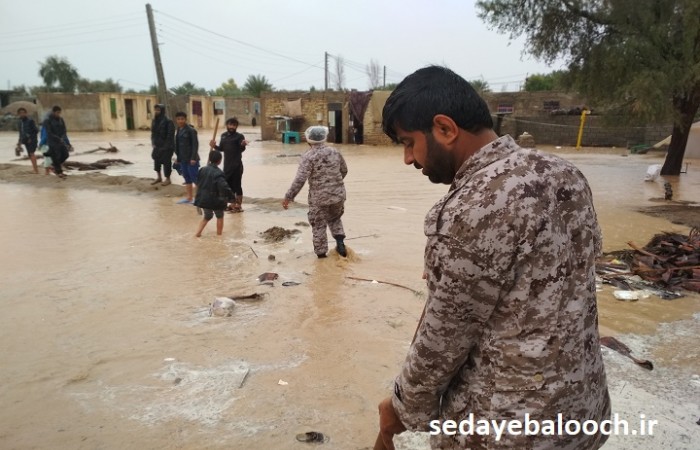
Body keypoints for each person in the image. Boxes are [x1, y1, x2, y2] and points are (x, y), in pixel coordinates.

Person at [375, 66, 610, 450]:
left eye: (408, 142)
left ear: (445, 129)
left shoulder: (471, 208)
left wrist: (400, 408)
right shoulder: (565, 174)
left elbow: (444, 337)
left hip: (505, 430)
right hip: (583, 413)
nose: (408, 159)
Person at [282, 126, 348, 258]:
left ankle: (322, 258)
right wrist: (334, 183)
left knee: (318, 226)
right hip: (338, 195)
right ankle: (340, 243)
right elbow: (344, 170)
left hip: (319, 198)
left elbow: (300, 180)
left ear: (309, 140)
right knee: (335, 218)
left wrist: (288, 197)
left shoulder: (308, 156)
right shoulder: (335, 152)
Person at [209, 117, 248, 212]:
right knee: (228, 186)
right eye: (230, 125)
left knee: (237, 186)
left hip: (237, 166)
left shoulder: (239, 137)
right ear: (227, 125)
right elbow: (221, 149)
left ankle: (238, 205)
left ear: (236, 127)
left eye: (234, 125)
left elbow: (242, 148)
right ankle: (232, 203)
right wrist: (214, 146)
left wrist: (243, 144)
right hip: (226, 166)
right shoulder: (223, 136)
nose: (232, 127)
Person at [194, 151, 234, 237]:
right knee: (220, 216)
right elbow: (224, 187)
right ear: (219, 161)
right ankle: (219, 236)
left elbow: (198, 184)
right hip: (215, 200)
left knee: (207, 216)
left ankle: (197, 233)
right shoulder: (219, 173)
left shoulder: (202, 170)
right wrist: (232, 198)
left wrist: (197, 198)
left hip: (204, 199)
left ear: (210, 158)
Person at [174, 111, 199, 203]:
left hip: (191, 159)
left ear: (185, 119)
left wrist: (193, 158)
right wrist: (178, 158)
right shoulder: (178, 130)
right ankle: (189, 198)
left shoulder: (191, 130)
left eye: (182, 119)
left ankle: (199, 198)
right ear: (176, 120)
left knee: (195, 178)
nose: (180, 121)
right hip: (183, 159)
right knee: (187, 178)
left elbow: (195, 145)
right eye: (178, 119)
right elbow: (178, 145)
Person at [42, 106, 72, 179]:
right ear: (53, 112)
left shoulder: (61, 120)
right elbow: (49, 132)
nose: (58, 114)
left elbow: (64, 131)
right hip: (52, 142)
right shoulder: (47, 120)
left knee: (65, 154)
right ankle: (59, 172)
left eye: (59, 113)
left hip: (60, 141)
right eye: (57, 113)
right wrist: (58, 138)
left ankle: (53, 166)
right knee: (55, 156)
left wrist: (67, 142)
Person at [150, 103, 175, 186]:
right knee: (156, 161)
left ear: (162, 111)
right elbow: (153, 133)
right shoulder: (154, 121)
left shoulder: (168, 121)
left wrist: (166, 146)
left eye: (158, 110)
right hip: (157, 145)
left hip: (167, 147)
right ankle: (159, 177)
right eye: (156, 110)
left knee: (166, 162)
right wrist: (153, 143)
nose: (156, 112)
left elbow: (170, 135)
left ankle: (168, 179)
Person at [17, 107, 39, 174]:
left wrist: (31, 138)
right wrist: (19, 142)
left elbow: (36, 130)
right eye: (20, 113)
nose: (22, 114)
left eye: (23, 113)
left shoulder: (30, 121)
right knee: (30, 154)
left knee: (32, 153)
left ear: (26, 113)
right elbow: (21, 133)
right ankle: (34, 169)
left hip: (32, 140)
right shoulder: (20, 122)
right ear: (18, 114)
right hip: (25, 140)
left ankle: (36, 170)